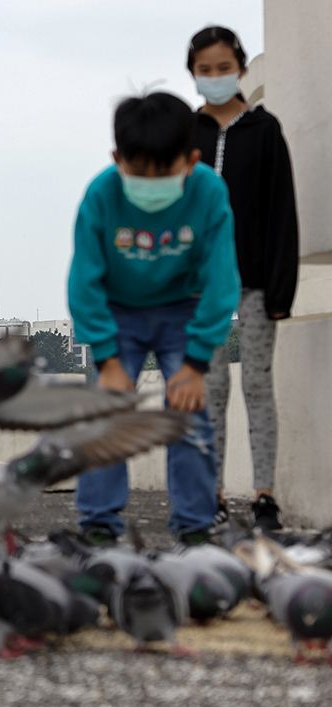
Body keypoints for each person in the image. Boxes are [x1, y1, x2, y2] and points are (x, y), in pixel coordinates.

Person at [69, 91, 241, 546]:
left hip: (181, 309)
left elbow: (222, 281)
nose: (149, 182)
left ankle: (194, 526)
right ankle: (100, 525)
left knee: (189, 415)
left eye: (163, 171)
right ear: (116, 158)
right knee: (107, 413)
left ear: (191, 160)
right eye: (137, 170)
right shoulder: (101, 194)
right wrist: (106, 360)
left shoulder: (208, 191)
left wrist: (195, 364)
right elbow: (83, 283)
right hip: (118, 312)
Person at [187, 26, 298, 532]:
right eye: (205, 69)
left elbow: (282, 211)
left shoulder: (265, 130)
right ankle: (208, 493)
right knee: (209, 389)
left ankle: (265, 495)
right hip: (200, 286)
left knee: (257, 383)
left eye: (223, 68)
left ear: (241, 69)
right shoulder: (187, 136)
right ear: (193, 73)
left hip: (256, 281)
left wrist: (281, 288)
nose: (215, 77)